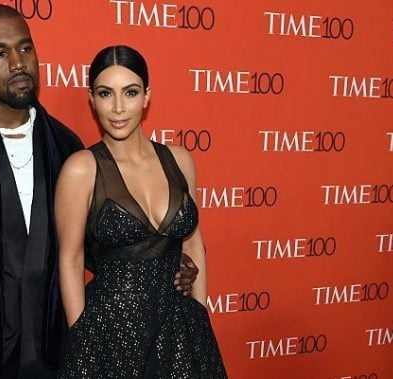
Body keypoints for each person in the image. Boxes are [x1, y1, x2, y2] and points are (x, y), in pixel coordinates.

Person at [0, 6, 199, 378]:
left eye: (25, 49)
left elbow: (91, 248)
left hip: (54, 356)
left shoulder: (65, 146)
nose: (17, 63)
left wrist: (164, 261)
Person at [56, 45, 227, 378]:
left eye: (130, 92)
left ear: (147, 96)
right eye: (106, 94)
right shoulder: (81, 169)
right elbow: (71, 261)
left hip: (180, 328)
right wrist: (83, 342)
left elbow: (193, 245)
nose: (119, 108)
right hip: (111, 333)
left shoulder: (179, 160)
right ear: (92, 99)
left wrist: (198, 314)